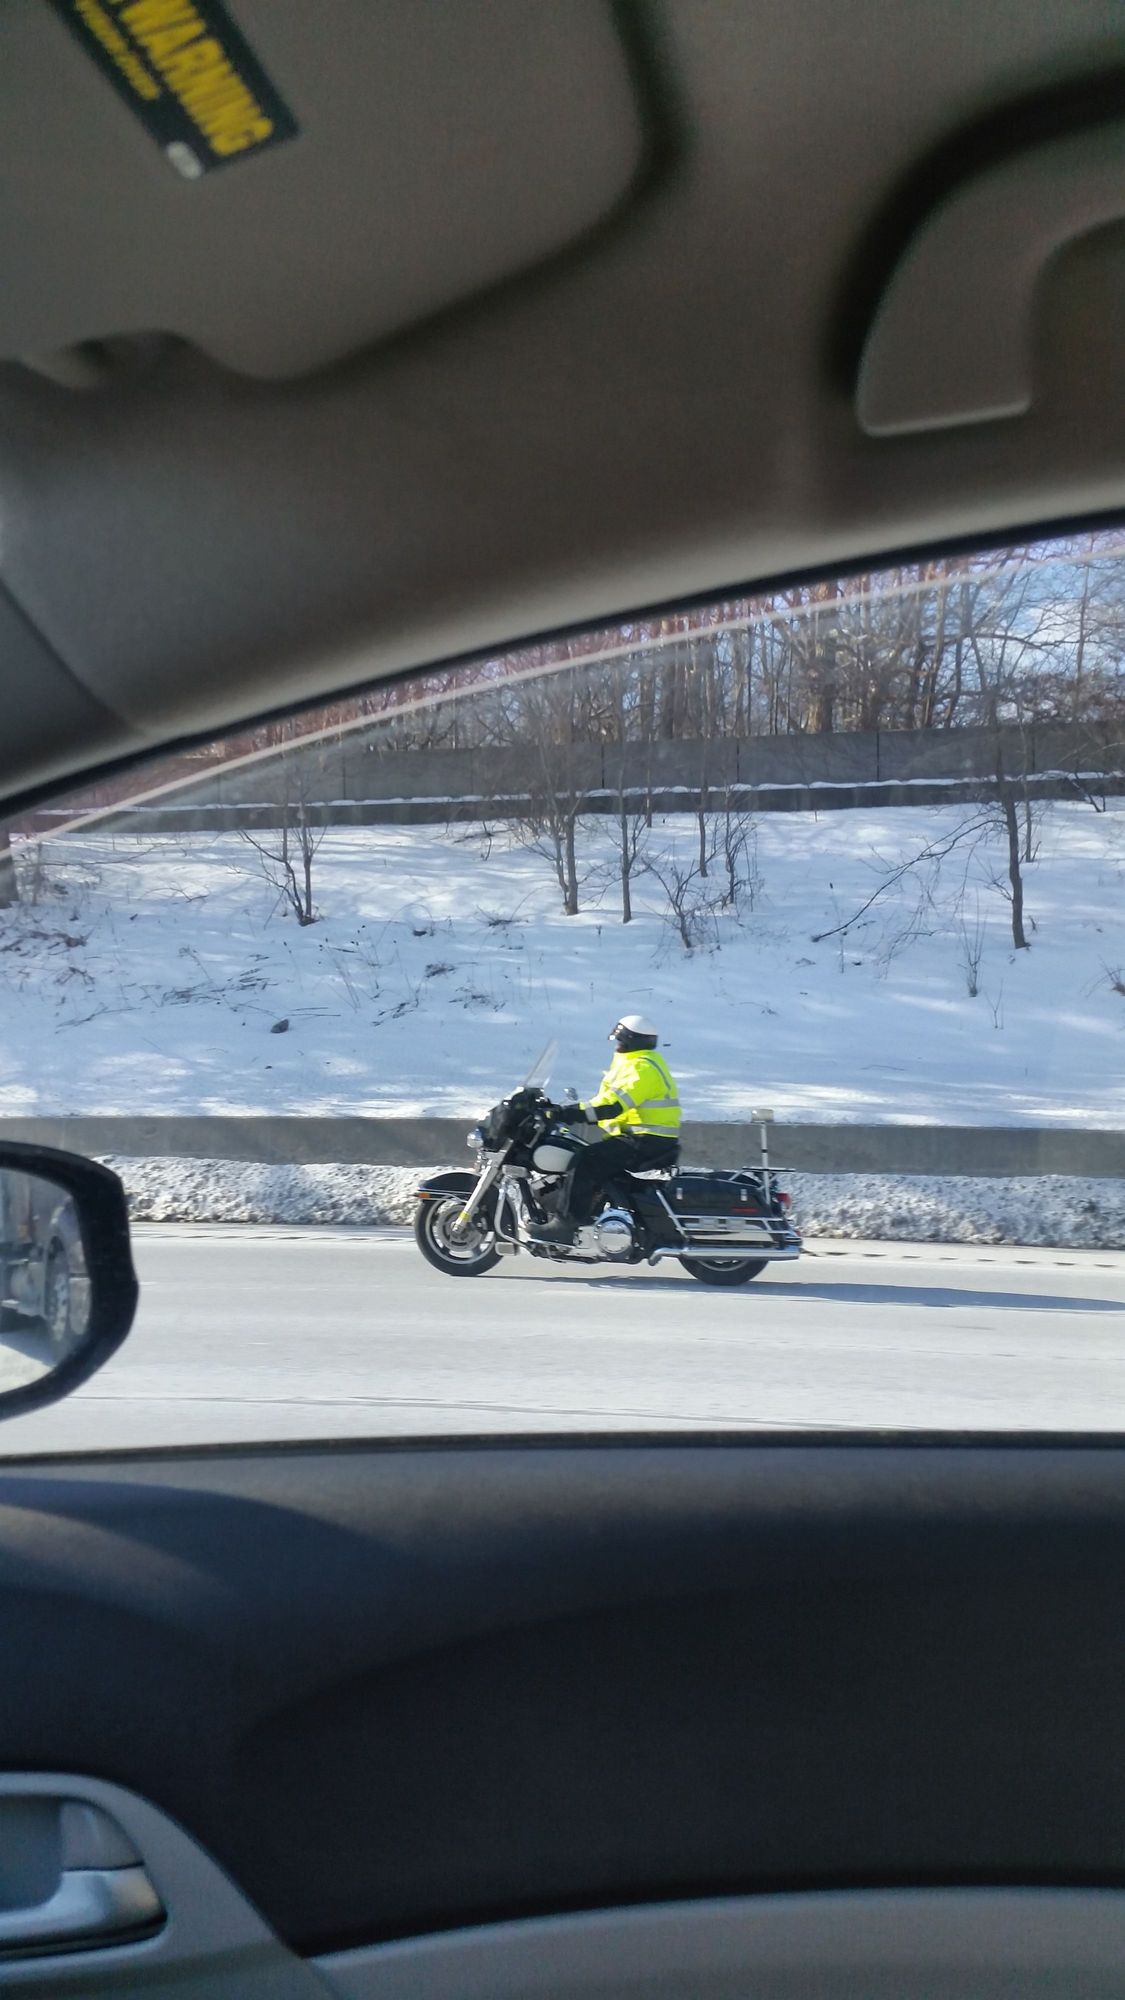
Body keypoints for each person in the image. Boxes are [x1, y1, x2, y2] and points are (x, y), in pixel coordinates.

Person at [529, 1015, 681, 1244]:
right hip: (643, 1137)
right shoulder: (637, 1063)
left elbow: (611, 1106)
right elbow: (607, 1103)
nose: (617, 1045)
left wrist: (566, 1114)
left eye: (620, 1040)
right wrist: (564, 1111)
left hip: (646, 1140)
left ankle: (565, 1224)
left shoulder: (641, 1068)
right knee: (586, 1154)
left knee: (585, 1160)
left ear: (630, 1041)